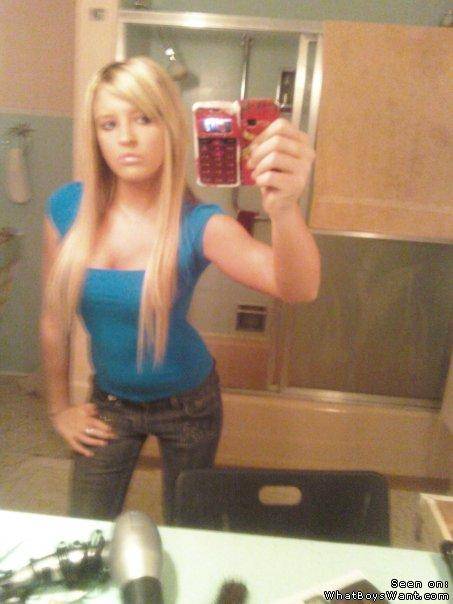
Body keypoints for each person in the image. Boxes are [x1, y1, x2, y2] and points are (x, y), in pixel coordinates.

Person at [40, 56, 321, 523]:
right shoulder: (67, 208)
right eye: (109, 124)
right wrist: (58, 409)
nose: (126, 138)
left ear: (170, 128)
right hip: (109, 400)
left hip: (189, 403)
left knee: (189, 526)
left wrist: (286, 208)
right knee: (86, 526)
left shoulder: (199, 223)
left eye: (143, 119)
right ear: (96, 135)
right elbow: (54, 319)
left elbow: (299, 287)